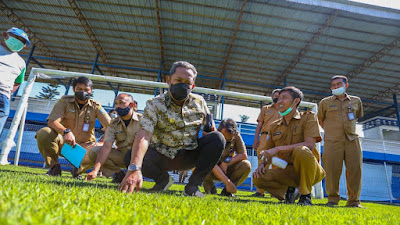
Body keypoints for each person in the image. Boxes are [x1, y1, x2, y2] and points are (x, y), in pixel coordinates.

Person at [118, 61, 226, 197]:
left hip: (189, 154)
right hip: (161, 156)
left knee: (218, 138)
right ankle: (163, 180)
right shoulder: (154, 104)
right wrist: (134, 168)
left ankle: (193, 186)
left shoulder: (200, 102)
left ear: (192, 86)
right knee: (131, 157)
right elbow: (144, 134)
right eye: (178, 80)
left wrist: (208, 134)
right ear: (169, 80)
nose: (182, 85)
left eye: (187, 82)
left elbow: (210, 131)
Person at [253, 86, 325, 206]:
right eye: (278, 98)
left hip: (310, 171)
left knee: (301, 150)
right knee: (258, 178)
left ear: (296, 101)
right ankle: (289, 192)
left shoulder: (309, 117)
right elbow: (268, 151)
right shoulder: (274, 126)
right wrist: (262, 164)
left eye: (284, 98)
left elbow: (309, 145)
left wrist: (278, 149)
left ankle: (305, 196)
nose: (279, 101)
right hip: (287, 172)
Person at [35, 77, 111, 177]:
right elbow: (52, 121)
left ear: (91, 91)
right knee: (44, 132)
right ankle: (54, 168)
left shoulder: (95, 106)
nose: (83, 92)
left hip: (85, 148)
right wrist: (66, 131)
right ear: (74, 89)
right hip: (64, 143)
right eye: (79, 89)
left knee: (101, 148)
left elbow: (111, 127)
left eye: (86, 90)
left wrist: (102, 142)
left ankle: (78, 170)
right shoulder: (64, 101)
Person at [318, 75, 363, 208]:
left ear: (346, 85)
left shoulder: (356, 101)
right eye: (333, 85)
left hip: (352, 139)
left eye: (338, 84)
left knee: (355, 170)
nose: (336, 87)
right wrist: (332, 132)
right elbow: (320, 120)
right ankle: (332, 200)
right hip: (332, 141)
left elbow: (357, 116)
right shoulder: (324, 102)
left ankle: (354, 201)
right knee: (332, 170)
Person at [84, 93, 142, 183]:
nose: (117, 106)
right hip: (123, 156)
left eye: (121, 103)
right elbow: (106, 146)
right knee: (94, 152)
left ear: (131, 105)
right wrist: (95, 170)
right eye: (116, 103)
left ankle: (161, 179)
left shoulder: (143, 121)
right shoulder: (113, 124)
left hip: (141, 157)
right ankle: (119, 175)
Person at [203, 119, 251, 197]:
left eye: (228, 140)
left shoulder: (236, 136)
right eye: (222, 138)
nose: (224, 142)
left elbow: (243, 155)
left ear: (234, 133)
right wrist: (227, 182)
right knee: (199, 163)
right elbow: (210, 161)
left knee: (246, 165)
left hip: (226, 170)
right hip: (211, 169)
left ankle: (227, 192)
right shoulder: (211, 135)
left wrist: (226, 163)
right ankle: (210, 190)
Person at [0, 27, 30, 136]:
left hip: (3, 98)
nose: (18, 41)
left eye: (22, 41)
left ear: (24, 46)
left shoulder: (21, 63)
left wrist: (7, 93)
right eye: (16, 37)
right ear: (5, 35)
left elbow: (18, 82)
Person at [251, 89, 281, 197]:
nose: (277, 97)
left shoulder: (285, 110)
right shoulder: (265, 108)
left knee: (277, 165)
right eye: (275, 95)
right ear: (272, 97)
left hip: (279, 138)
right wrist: (256, 140)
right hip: (264, 137)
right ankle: (260, 191)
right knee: (262, 163)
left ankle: (275, 192)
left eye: (279, 95)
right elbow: (259, 125)